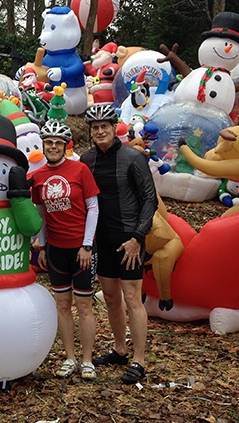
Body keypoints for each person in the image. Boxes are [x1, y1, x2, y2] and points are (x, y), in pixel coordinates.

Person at [80, 103, 158, 384]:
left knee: (132, 298)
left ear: (115, 128)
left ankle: (139, 360)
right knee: (111, 297)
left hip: (129, 238)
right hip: (102, 238)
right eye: (95, 127)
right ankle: (120, 349)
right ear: (90, 132)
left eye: (105, 126)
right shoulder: (86, 160)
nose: (100, 131)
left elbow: (150, 199)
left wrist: (138, 237)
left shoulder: (132, 158)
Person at [30, 120, 100, 380]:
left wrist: (87, 245)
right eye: (49, 142)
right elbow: (41, 213)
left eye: (58, 143)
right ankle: (70, 357)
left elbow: (93, 208)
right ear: (43, 145)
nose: (53, 147)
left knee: (84, 306)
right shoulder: (38, 177)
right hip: (56, 250)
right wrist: (44, 246)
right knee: (62, 305)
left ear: (65, 145)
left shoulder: (80, 169)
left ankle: (87, 360)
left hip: (81, 250)